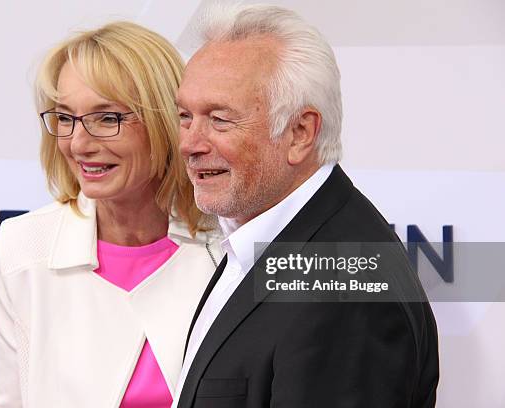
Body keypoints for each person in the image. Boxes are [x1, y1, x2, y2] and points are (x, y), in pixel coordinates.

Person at [172, 4, 439, 408]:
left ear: (300, 133)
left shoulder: (344, 292)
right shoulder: (261, 238)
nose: (190, 143)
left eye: (220, 120)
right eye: (185, 116)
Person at [0, 22, 221, 408]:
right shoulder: (22, 251)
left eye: (107, 118)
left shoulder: (235, 246)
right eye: (65, 118)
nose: (79, 144)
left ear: (165, 121)